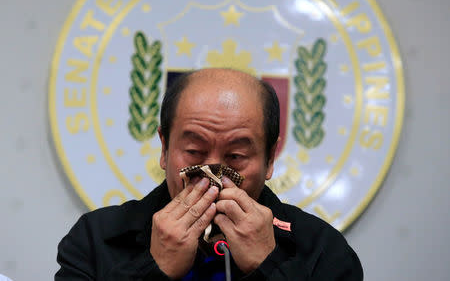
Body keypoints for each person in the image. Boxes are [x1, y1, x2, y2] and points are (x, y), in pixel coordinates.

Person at [56, 68, 363, 280]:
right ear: (164, 148)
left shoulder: (323, 250)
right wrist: (154, 269)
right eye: (193, 152)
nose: (213, 173)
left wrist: (270, 267)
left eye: (236, 156)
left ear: (271, 158)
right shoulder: (95, 239)